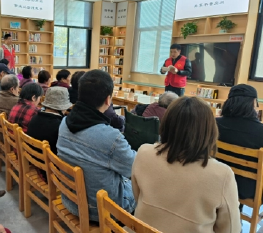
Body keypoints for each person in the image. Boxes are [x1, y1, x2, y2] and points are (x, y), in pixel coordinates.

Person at [132, 96, 241, 232]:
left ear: (166, 123)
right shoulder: (222, 175)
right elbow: (232, 229)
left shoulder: (144, 152)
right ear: (209, 131)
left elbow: (138, 197)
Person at [56, 70, 136, 222]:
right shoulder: (111, 137)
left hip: (70, 199)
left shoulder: (64, 123)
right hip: (100, 211)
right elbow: (134, 168)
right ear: (108, 100)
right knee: (144, 186)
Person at [216, 84, 262, 203]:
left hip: (217, 180)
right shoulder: (260, 131)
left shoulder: (214, 124)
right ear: (253, 103)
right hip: (248, 190)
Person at [27, 87, 72, 155]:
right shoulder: (60, 126)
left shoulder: (34, 117)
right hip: (48, 163)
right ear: (63, 107)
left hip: (32, 157)